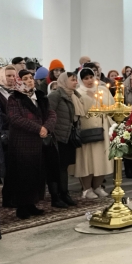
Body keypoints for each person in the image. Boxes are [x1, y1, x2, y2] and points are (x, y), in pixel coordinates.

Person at [4, 69, 57, 220]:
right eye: (25, 78)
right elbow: (15, 118)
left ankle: (32, 203)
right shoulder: (14, 98)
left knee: (37, 174)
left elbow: (51, 114)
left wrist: (46, 128)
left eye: (31, 78)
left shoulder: (40, 96)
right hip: (22, 142)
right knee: (23, 175)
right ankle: (22, 206)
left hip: (39, 142)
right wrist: (38, 128)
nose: (29, 81)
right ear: (19, 81)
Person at [73, 68, 113, 199]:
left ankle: (97, 186)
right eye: (86, 78)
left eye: (91, 77)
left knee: (101, 159)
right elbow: (78, 112)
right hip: (87, 130)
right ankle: (86, 189)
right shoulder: (78, 93)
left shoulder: (103, 90)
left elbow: (112, 106)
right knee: (87, 160)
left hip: (103, 128)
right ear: (81, 80)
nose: (90, 80)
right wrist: (89, 98)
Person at [47, 72, 82, 207]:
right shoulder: (55, 95)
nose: (76, 82)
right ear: (64, 81)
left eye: (76, 80)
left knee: (64, 167)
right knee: (55, 168)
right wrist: (52, 134)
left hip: (67, 137)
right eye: (72, 80)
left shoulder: (73, 95)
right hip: (57, 137)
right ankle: (55, 197)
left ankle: (64, 194)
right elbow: (49, 115)